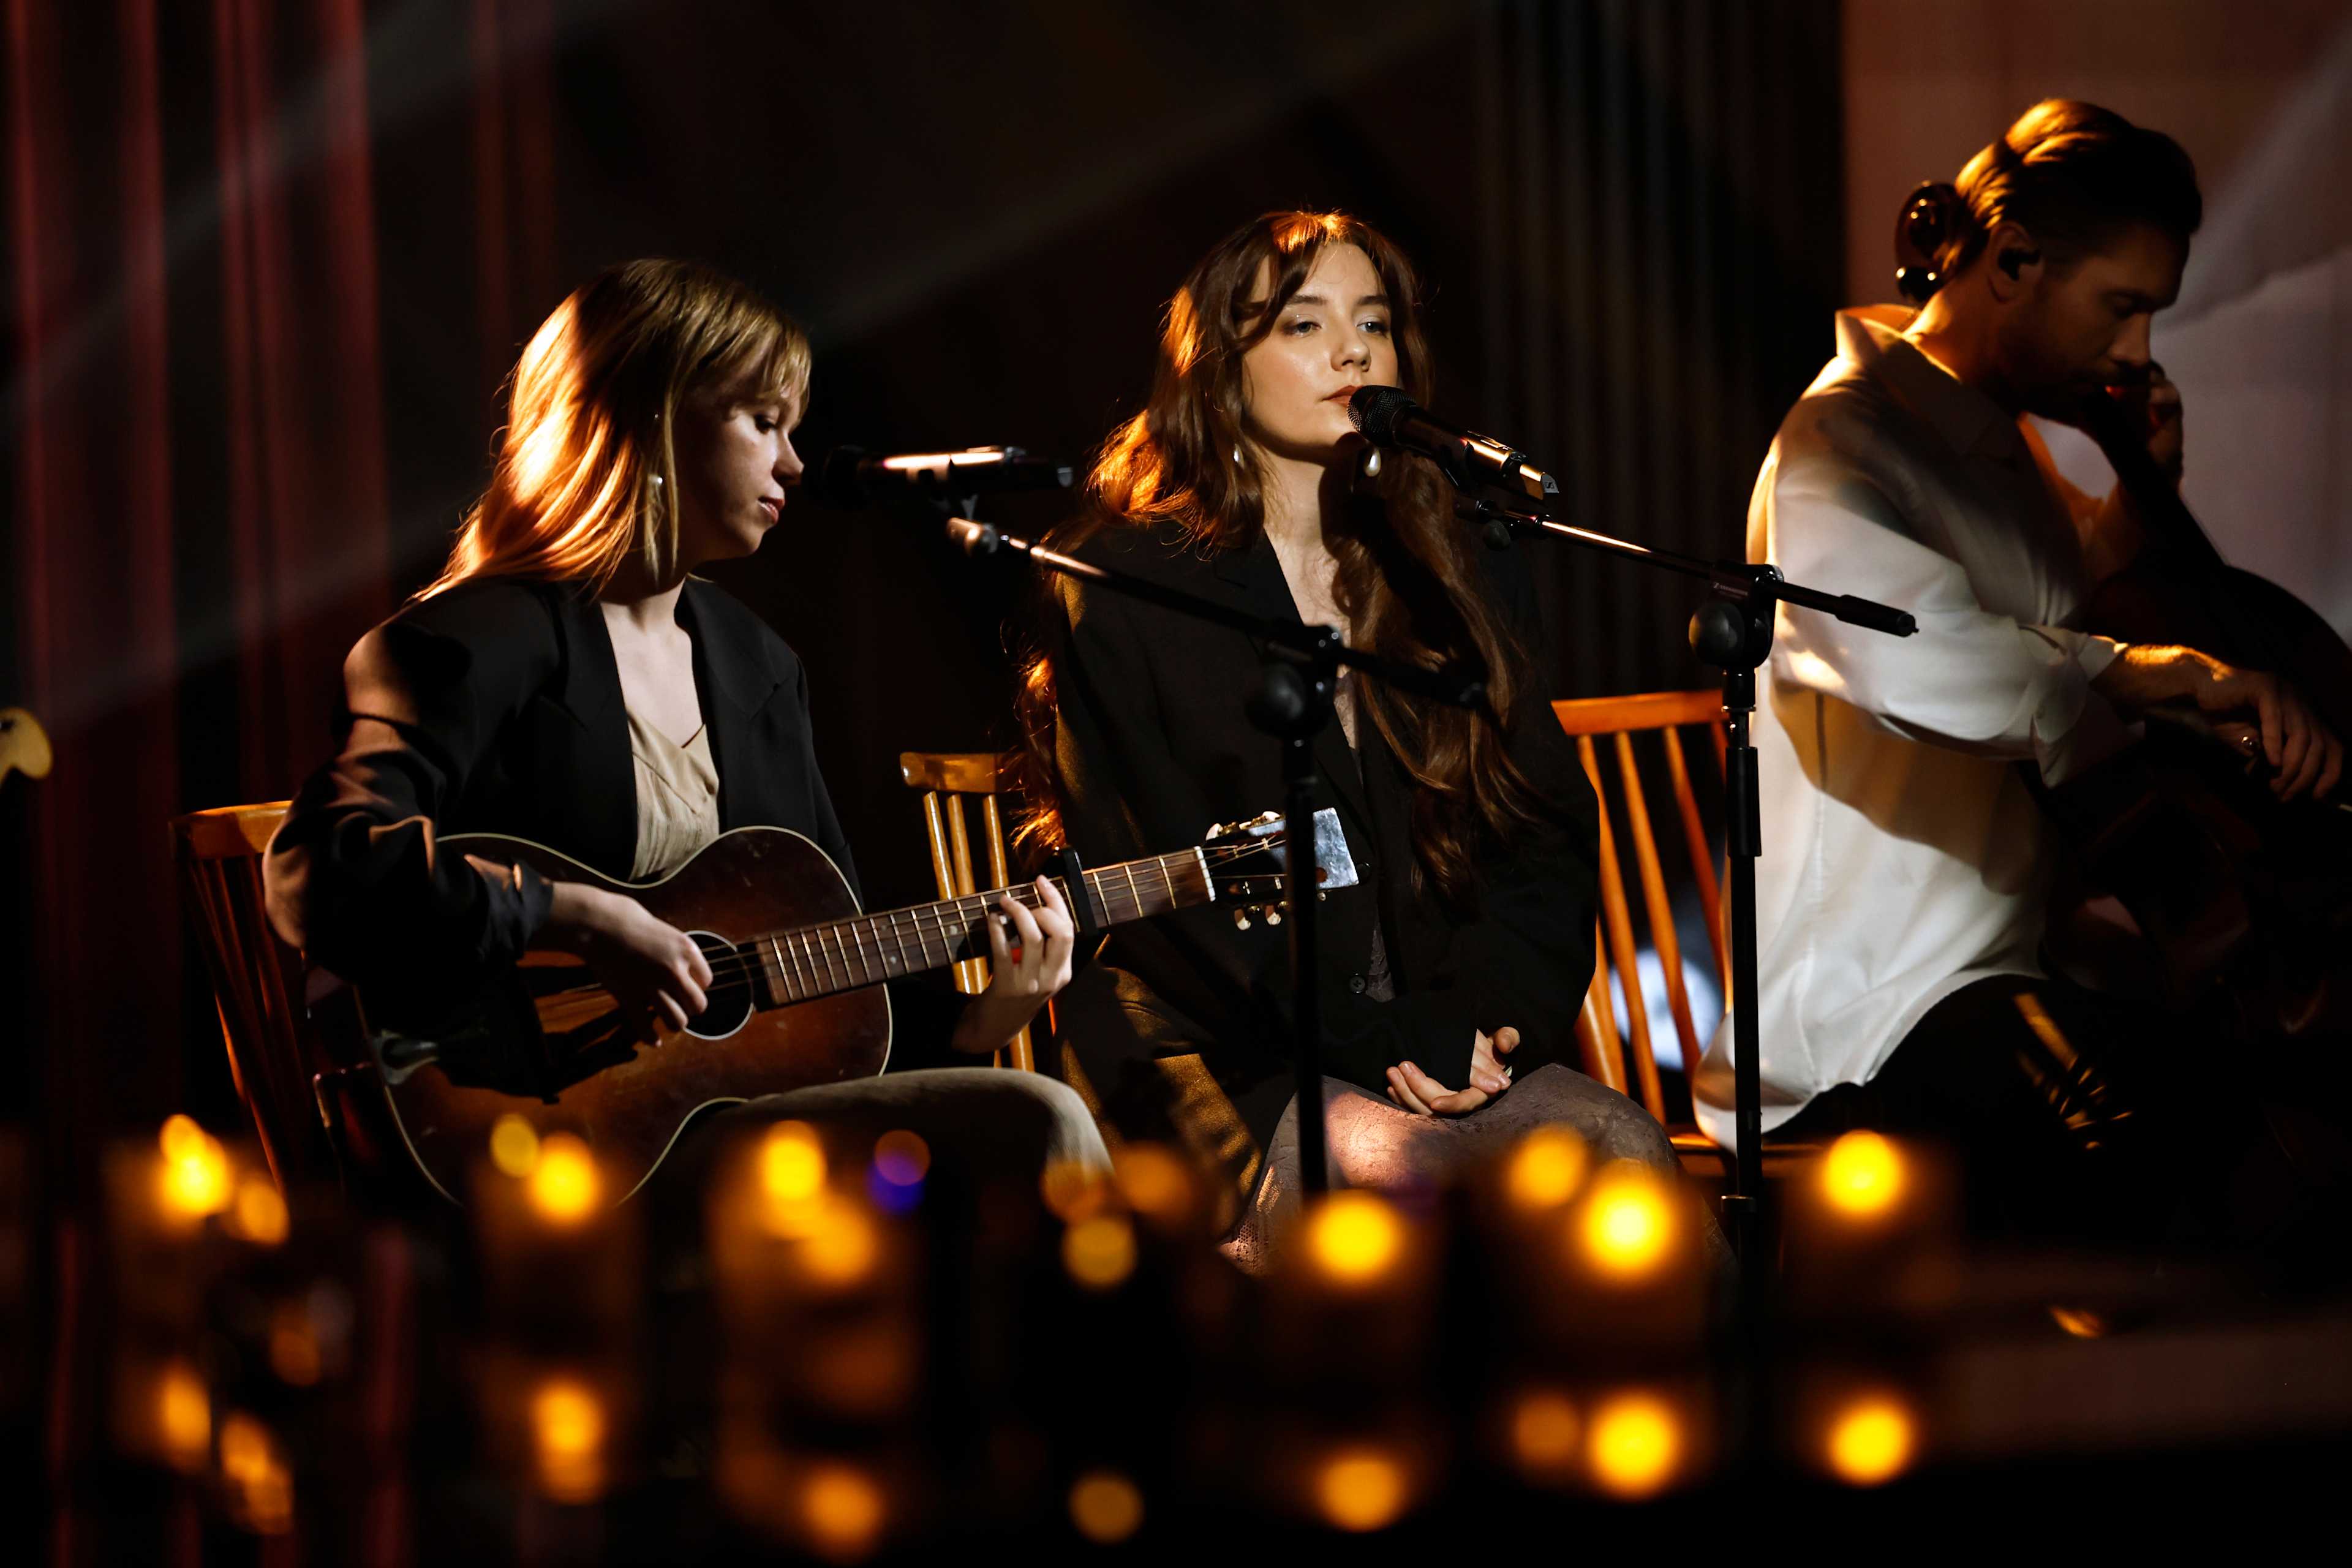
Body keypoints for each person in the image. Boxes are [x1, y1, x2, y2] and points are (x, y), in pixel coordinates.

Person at [266, 258, 1107, 1194]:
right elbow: (322, 869)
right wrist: (574, 915)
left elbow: (825, 966)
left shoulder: (757, 664)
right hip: (537, 1147)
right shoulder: (468, 641)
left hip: (725, 1139)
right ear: (653, 420)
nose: (794, 462)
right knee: (1040, 1118)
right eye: (763, 423)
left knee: (999, 1134)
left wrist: (981, 1018)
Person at [1709, 100, 2343, 1248]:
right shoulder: (1837, 445)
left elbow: (2048, 612)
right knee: (2182, 1134)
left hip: (2010, 969)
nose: (2138, 351)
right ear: (2013, 261)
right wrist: (2141, 671)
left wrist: (2130, 524)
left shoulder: (2008, 450)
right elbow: (1924, 647)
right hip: (1875, 1015)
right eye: (2122, 306)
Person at [1017, 211, 1699, 1265]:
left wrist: (1488, 1020)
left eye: (1373, 324)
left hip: (1436, 1030)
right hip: (1223, 1048)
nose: (1352, 352)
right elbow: (1161, 902)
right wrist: (1381, 1045)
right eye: (1304, 324)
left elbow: (1545, 824)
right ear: (1217, 368)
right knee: (1405, 1195)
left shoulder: (1451, 557)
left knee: (1625, 1153)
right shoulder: (1124, 585)